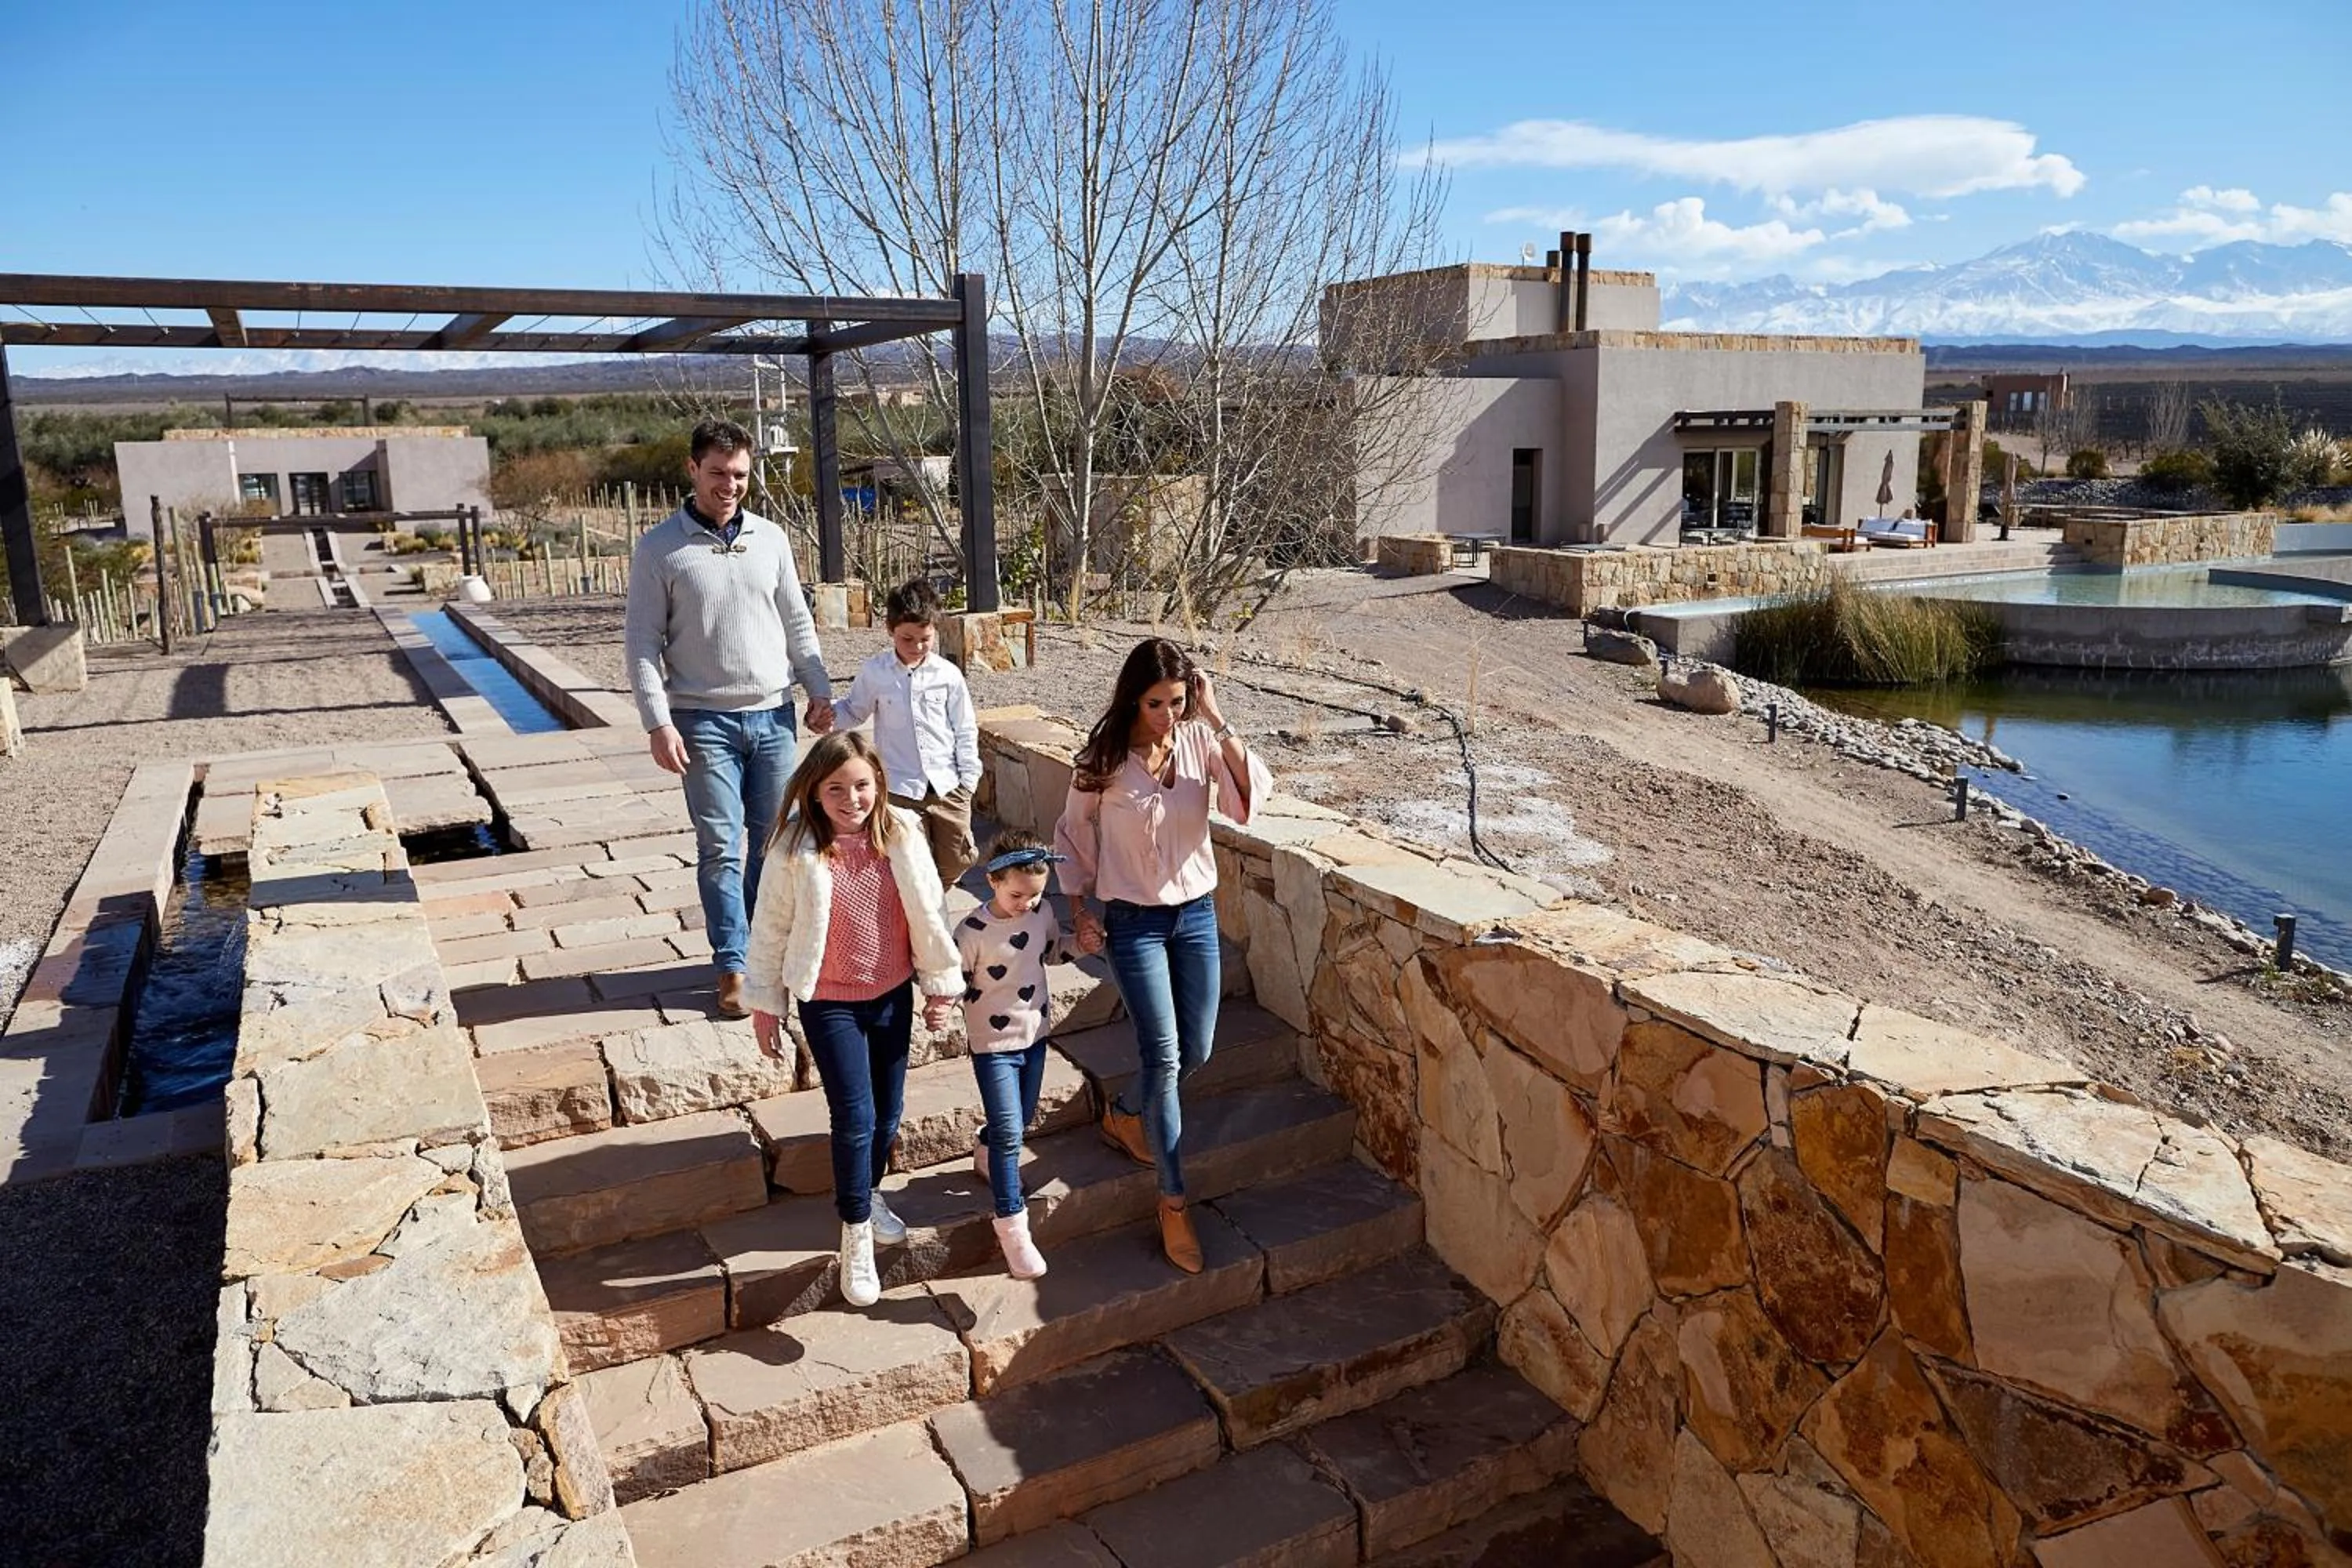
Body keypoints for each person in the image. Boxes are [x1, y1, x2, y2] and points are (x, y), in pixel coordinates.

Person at [1054, 638, 1268, 1273]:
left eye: (1177, 701)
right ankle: (1174, 1202)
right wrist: (1080, 910)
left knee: (1197, 1050)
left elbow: (1250, 801)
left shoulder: (1202, 743)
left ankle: (1123, 1114)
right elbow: (1071, 833)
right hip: (1133, 923)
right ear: (1132, 697)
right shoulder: (1103, 759)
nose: (1167, 715)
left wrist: (1217, 716)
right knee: (1165, 1054)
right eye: (1155, 703)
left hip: (1197, 915)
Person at [624, 417, 835, 1021]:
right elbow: (642, 643)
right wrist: (656, 722)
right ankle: (732, 966)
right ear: (692, 470)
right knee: (719, 846)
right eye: (717, 473)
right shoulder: (660, 549)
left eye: (740, 474)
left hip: (774, 716)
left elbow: (797, 621)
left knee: (771, 847)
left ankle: (760, 950)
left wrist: (818, 690)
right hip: (700, 721)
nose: (730, 484)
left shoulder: (770, 539)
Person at [743, 733, 961, 1308]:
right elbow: (769, 926)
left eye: (862, 785)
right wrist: (766, 1002)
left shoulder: (903, 834)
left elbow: (931, 912)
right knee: (855, 1114)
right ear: (813, 792)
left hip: (891, 995)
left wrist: (940, 985)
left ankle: (868, 1191)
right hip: (829, 1000)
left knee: (889, 1113)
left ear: (879, 785)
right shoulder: (795, 847)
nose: (851, 798)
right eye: (836, 788)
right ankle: (855, 1230)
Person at [956, 829, 1078, 1282]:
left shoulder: (1041, 913)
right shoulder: (972, 932)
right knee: (1013, 1131)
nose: (1027, 902)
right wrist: (938, 1001)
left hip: (1035, 1033)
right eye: (1017, 894)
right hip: (992, 1045)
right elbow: (953, 979)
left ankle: (987, 1148)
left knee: (1019, 1119)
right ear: (993, 881)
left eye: (1036, 894)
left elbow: (1051, 951)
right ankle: (1012, 1224)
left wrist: (1083, 943)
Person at [832, 579, 982, 887]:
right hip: (900, 788)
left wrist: (968, 781)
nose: (916, 647)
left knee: (956, 861)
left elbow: (965, 728)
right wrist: (826, 716)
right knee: (910, 866)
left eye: (925, 639)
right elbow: (853, 710)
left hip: (947, 787)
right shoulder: (876, 672)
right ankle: (920, 926)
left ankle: (933, 908)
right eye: (907, 639)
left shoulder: (948, 675)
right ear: (890, 630)